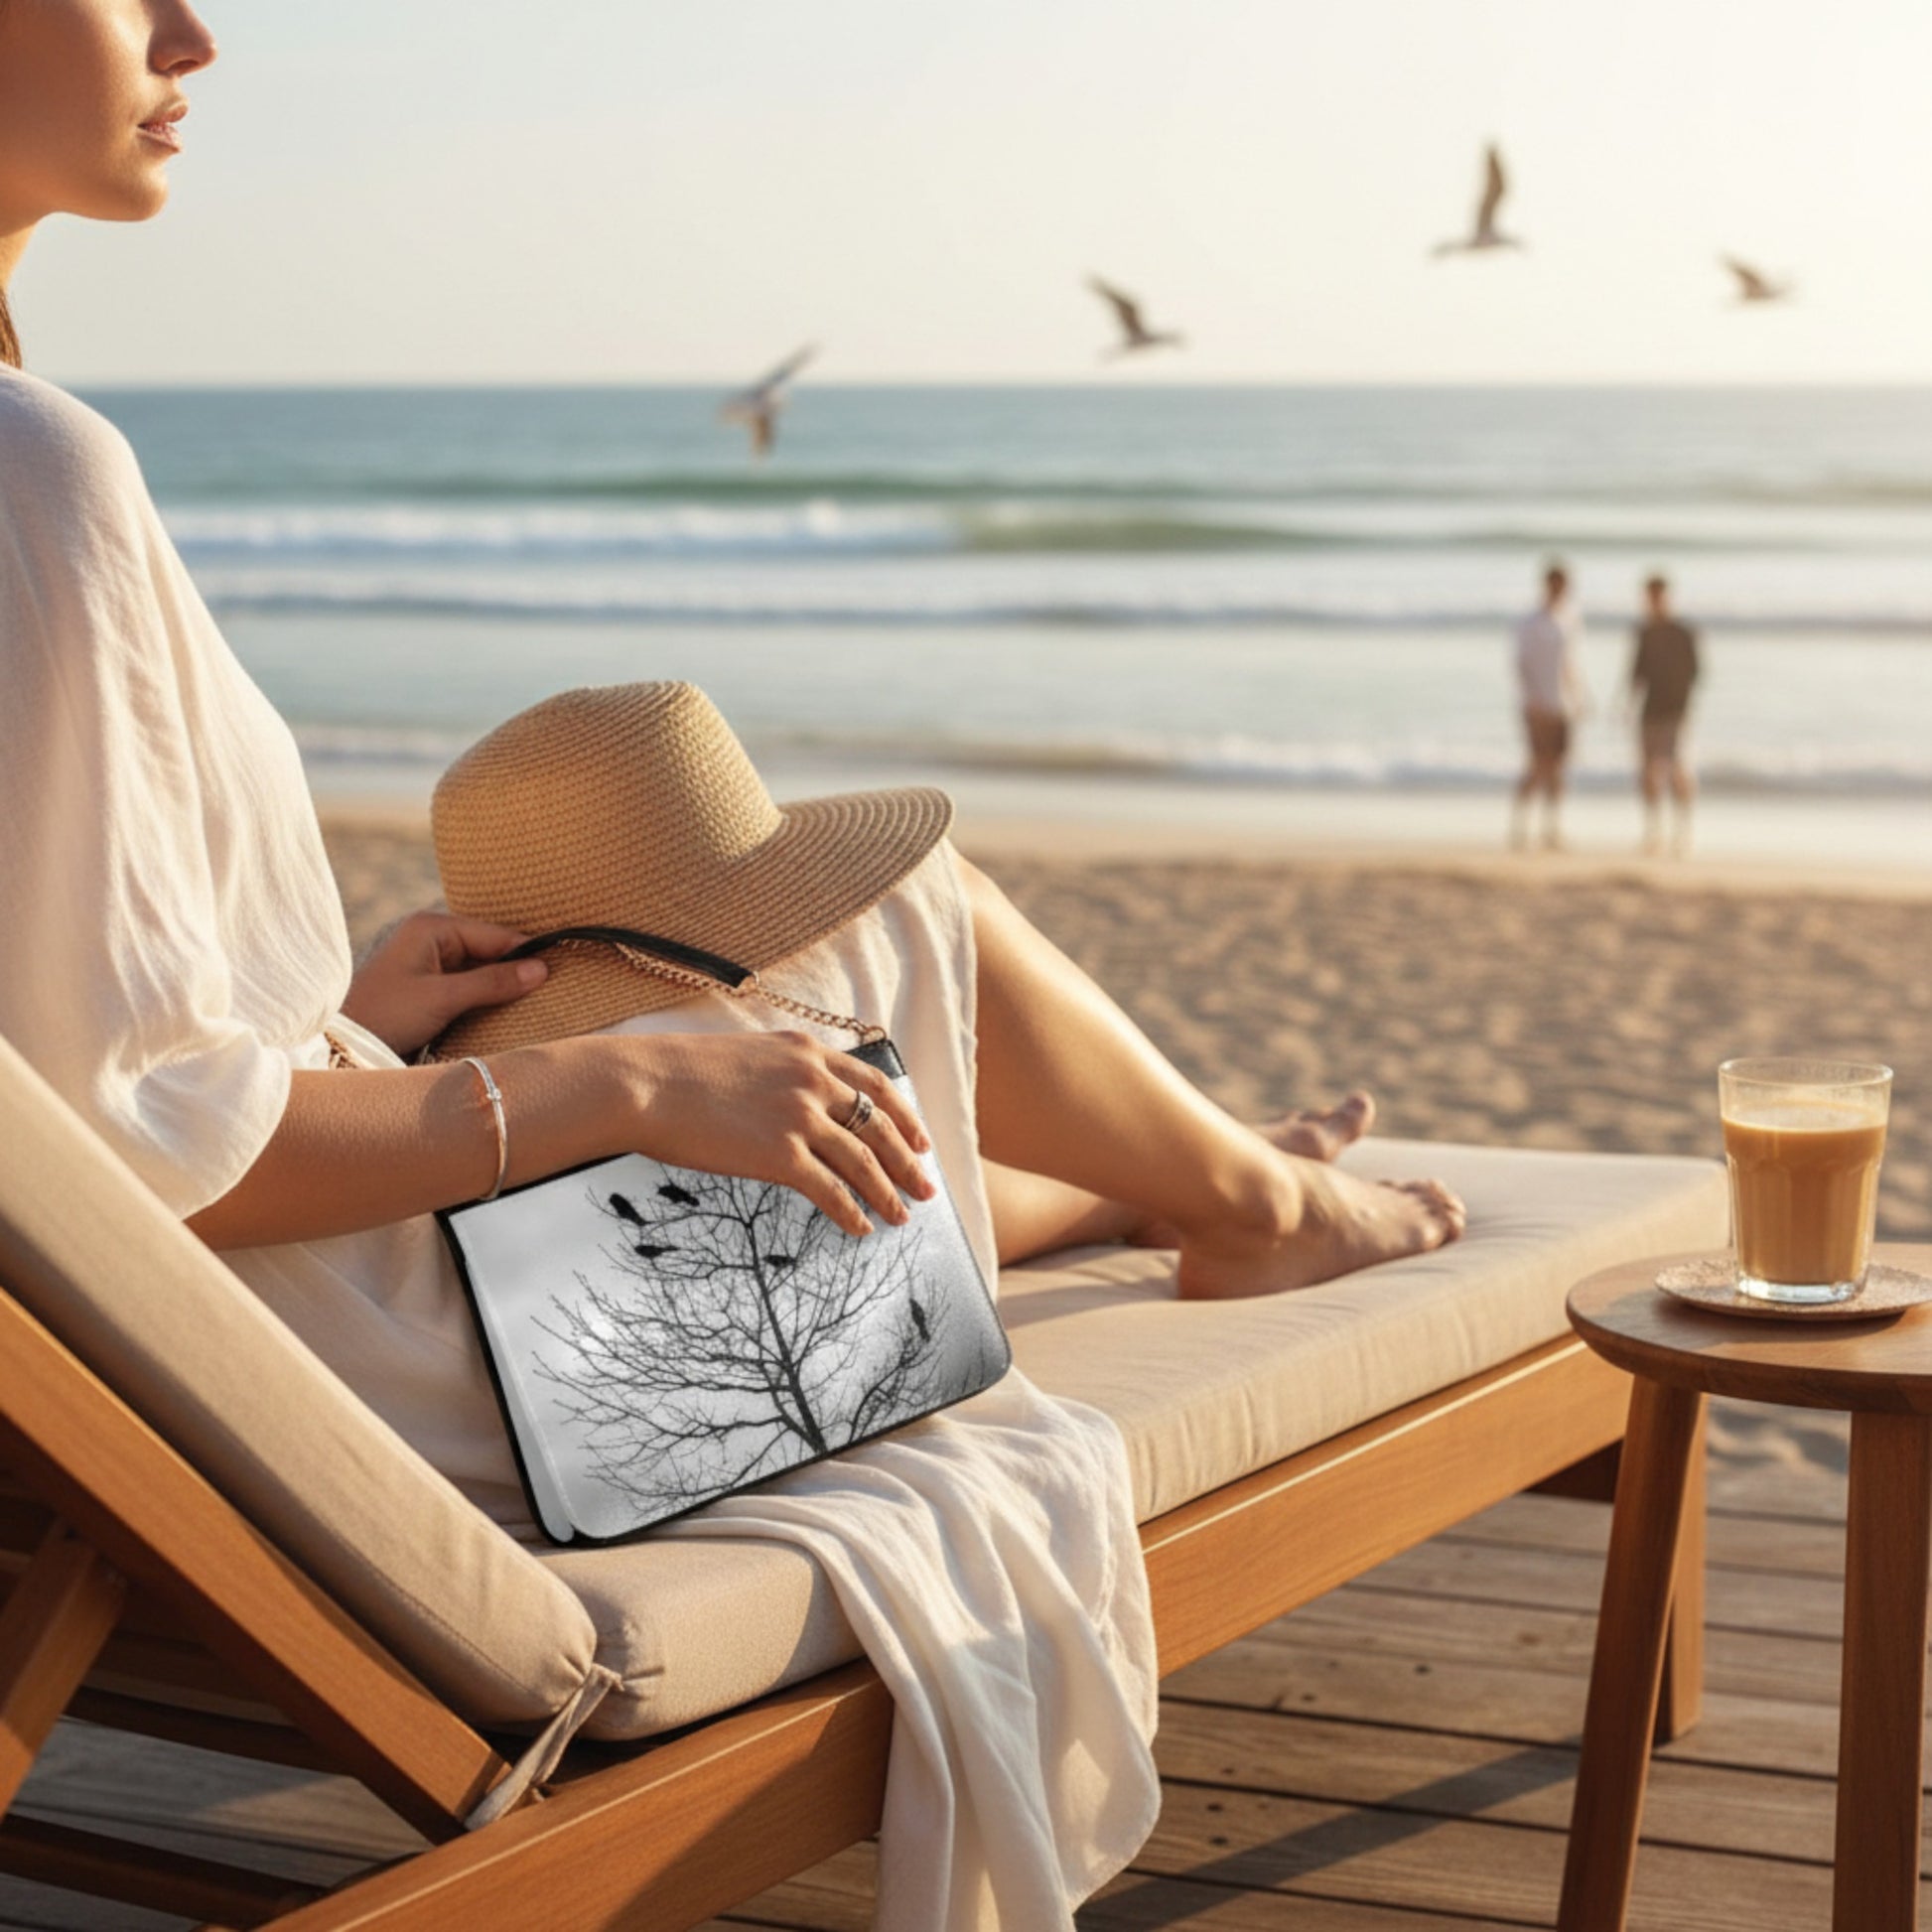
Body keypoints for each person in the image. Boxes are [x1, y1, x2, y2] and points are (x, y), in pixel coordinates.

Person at [0, 7, 1465, 1925]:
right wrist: (613, 1083)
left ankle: (1160, 1176)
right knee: (875, 913)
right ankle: (1258, 1195)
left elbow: (70, 1081)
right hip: (410, 1371)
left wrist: (342, 1011)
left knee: (764, 1000)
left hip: (231, 1323)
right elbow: (148, 1165)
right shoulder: (39, 475)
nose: (196, 28)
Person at [1509, 560, 1589, 852]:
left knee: (1558, 769)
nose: (1559, 590)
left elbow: (1569, 664)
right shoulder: (1531, 623)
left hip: (1562, 705)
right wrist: (1532, 701)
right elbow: (1521, 666)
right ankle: (1520, 828)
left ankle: (1551, 829)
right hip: (1538, 705)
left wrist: (1580, 696)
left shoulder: (1568, 620)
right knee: (1537, 766)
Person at [1627, 573, 1701, 857]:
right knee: (1648, 774)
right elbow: (1636, 674)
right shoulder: (1644, 632)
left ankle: (1682, 832)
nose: (1653, 602)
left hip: (1675, 711)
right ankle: (1653, 832)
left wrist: (1684, 709)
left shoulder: (1683, 633)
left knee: (1676, 771)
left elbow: (1695, 674)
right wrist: (1627, 707)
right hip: (1650, 712)